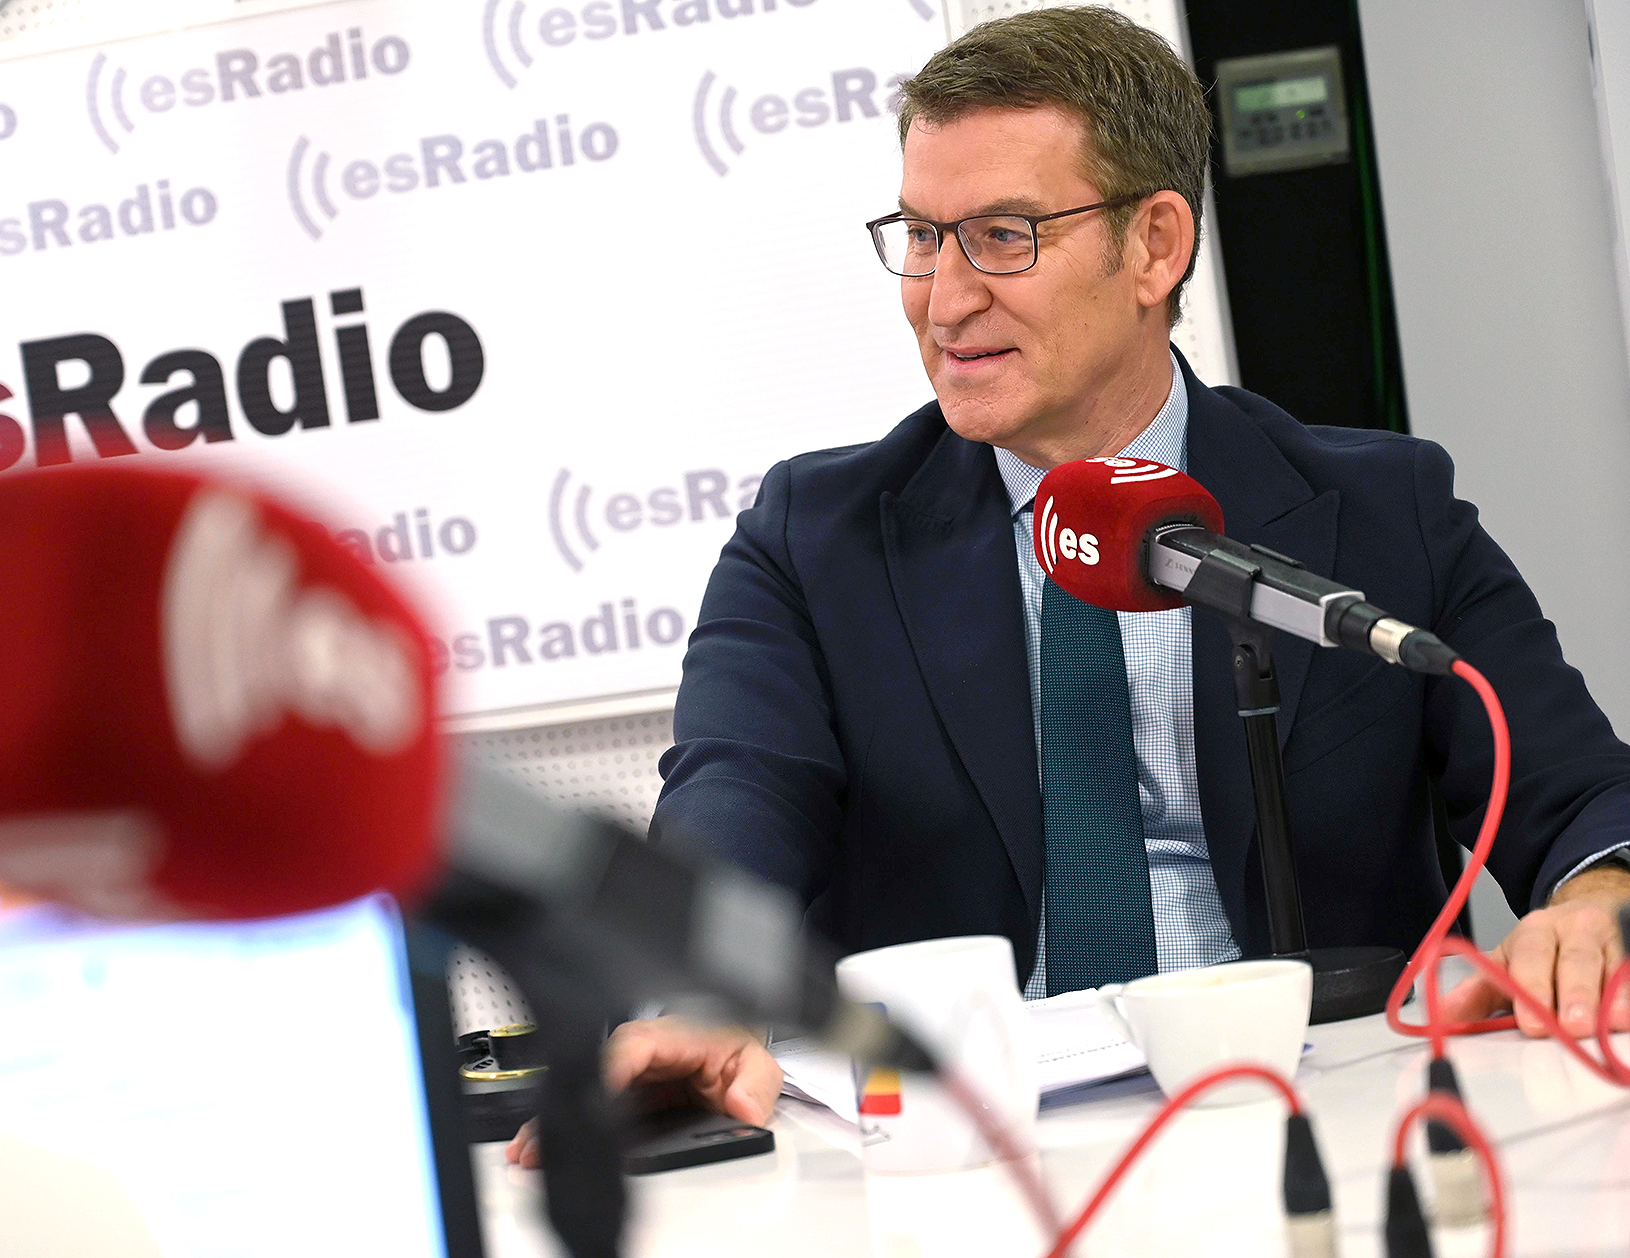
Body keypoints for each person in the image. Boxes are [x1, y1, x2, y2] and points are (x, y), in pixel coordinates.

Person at [508, 5, 1630, 1166]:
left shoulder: (1384, 509)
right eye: (923, 236)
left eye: (1003, 236)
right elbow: (736, 801)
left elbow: (1583, 796)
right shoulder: (813, 539)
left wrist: (1599, 904)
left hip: (1328, 1125)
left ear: (1155, 246)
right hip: (970, 1158)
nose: (944, 299)